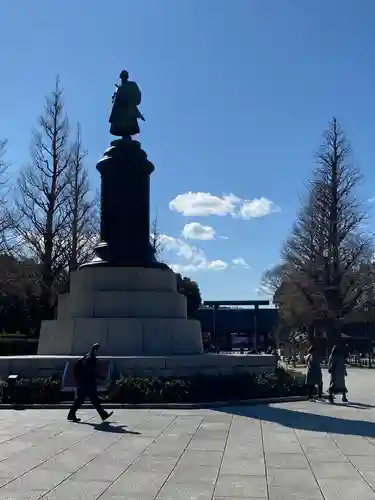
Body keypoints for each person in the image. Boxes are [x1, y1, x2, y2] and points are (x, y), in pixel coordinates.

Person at [67, 343, 113, 422]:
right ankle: (103, 415)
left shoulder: (88, 357)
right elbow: (90, 371)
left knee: (81, 400)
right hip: (87, 383)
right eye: (98, 350)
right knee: (94, 400)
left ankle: (71, 414)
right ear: (95, 350)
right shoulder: (89, 359)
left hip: (84, 383)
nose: (100, 352)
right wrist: (101, 377)